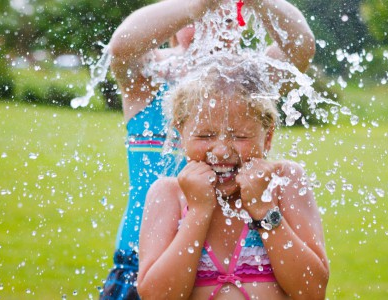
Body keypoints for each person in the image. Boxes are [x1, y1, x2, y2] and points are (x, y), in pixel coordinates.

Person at [101, 0, 316, 298]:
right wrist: (201, 4)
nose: (212, 28)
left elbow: (301, 48)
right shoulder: (152, 78)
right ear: (173, 26)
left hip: (241, 260)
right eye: (199, 18)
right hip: (145, 265)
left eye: (225, 19)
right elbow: (123, 46)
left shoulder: (249, 84)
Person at [137, 57, 329, 299]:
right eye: (205, 135)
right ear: (180, 134)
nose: (221, 151)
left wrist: (263, 208)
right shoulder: (168, 195)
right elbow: (157, 296)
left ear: (267, 137)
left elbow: (312, 290)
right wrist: (198, 211)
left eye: (239, 136)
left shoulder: (284, 183)